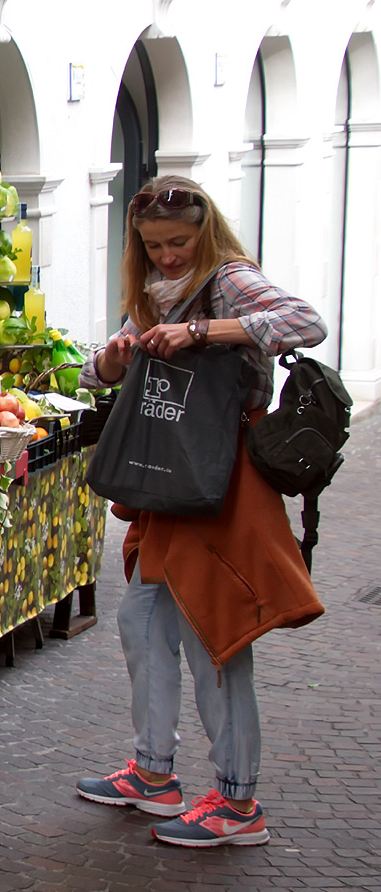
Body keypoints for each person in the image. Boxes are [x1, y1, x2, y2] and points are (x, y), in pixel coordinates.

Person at [72, 176, 325, 847]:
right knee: (142, 618)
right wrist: (113, 357)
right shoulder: (155, 290)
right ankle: (155, 772)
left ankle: (239, 803)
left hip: (221, 484)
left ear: (204, 232)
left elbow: (307, 322)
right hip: (172, 483)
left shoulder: (230, 278)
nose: (168, 255)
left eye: (179, 242)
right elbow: (93, 372)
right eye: (154, 245)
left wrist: (202, 329)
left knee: (216, 631)